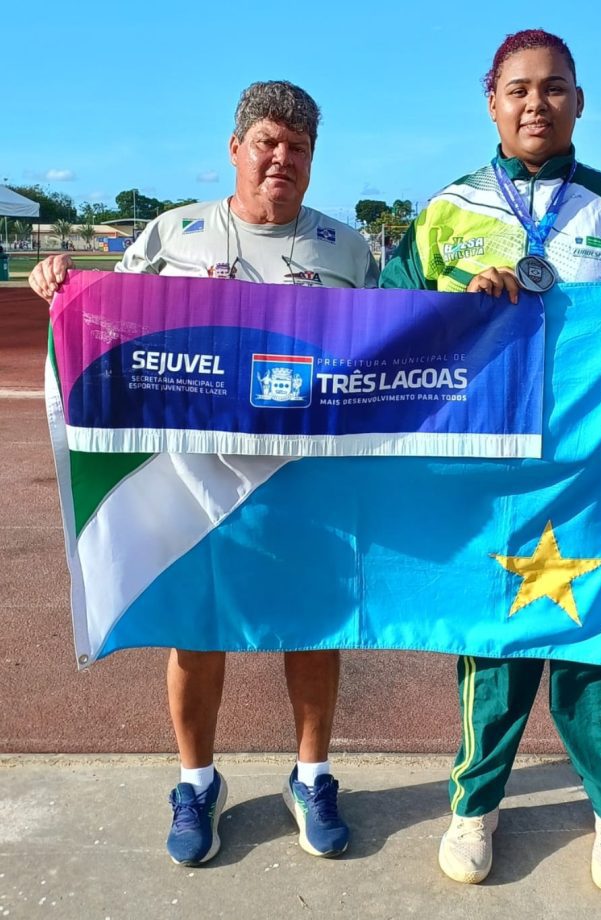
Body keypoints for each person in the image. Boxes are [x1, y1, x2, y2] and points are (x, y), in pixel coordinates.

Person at [381, 29, 601, 893]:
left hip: (593, 474)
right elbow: (390, 335)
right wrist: (458, 305)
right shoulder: (447, 210)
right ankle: (475, 802)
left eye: (554, 87)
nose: (537, 103)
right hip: (486, 473)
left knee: (598, 640)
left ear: (580, 101)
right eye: (519, 89)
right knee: (490, 639)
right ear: (491, 99)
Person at [30, 80, 379, 867]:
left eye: (297, 146)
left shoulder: (348, 248)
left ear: (313, 159)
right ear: (235, 148)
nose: (280, 157)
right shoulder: (173, 233)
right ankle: (196, 784)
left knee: (314, 627)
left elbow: (395, 344)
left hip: (308, 474)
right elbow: (103, 310)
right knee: (197, 629)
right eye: (266, 141)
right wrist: (57, 282)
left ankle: (313, 775)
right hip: (194, 477)